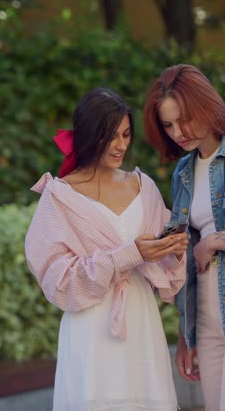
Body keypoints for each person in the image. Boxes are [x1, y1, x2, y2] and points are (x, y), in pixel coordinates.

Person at [25, 87, 188, 411]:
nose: (121, 146)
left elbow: (169, 276)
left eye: (126, 135)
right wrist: (128, 255)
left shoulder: (144, 188)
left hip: (141, 320)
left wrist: (175, 250)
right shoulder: (59, 197)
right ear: (88, 135)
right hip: (90, 328)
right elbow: (58, 281)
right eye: (110, 136)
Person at [143, 64, 225, 411]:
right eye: (168, 124)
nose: (178, 132)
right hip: (207, 322)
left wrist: (216, 240)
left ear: (205, 105)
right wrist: (186, 337)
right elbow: (185, 263)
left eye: (184, 119)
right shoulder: (183, 172)